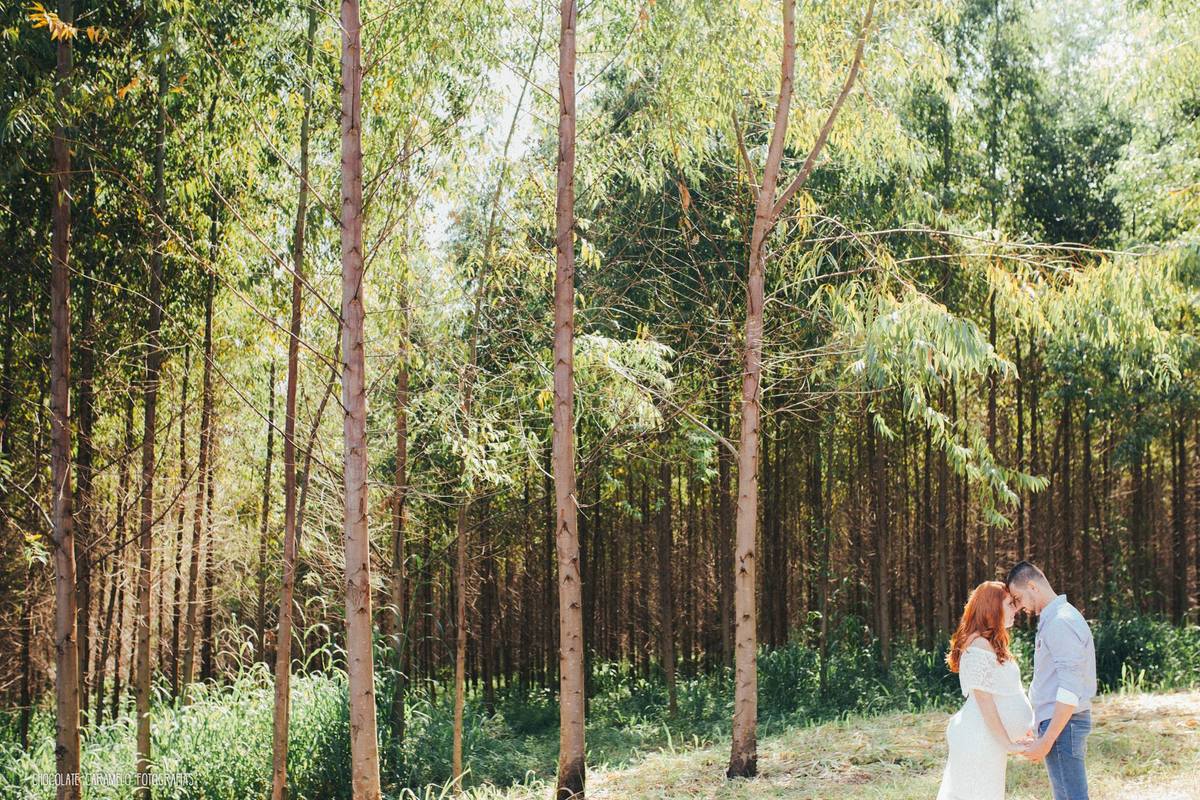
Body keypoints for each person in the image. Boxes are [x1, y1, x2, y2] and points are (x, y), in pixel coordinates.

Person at [1005, 560, 1097, 800]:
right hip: (1061, 725)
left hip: (1064, 726)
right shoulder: (1053, 619)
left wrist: (1046, 741)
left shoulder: (1060, 621)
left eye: (1018, 597)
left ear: (1032, 586)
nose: (1019, 606)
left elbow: (1069, 688)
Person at [937, 581, 1035, 800]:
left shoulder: (988, 644)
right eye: (1010, 604)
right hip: (978, 739)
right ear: (992, 607)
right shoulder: (978, 646)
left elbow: (1005, 693)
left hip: (988, 741)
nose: (1015, 609)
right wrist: (1008, 743)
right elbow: (985, 703)